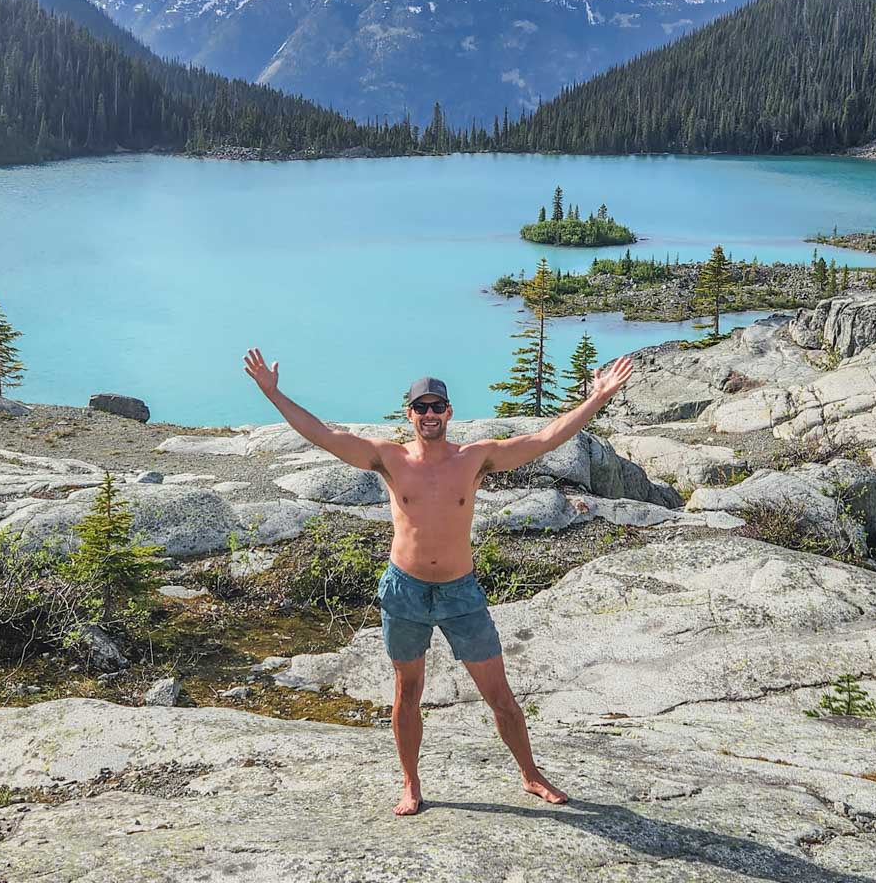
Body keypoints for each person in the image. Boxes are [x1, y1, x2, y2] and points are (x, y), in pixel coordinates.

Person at [243, 348, 633, 816]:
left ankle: (530, 774)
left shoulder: (475, 458)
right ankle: (411, 783)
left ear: (449, 412)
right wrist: (273, 394)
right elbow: (324, 435)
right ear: (408, 414)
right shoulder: (387, 458)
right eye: (420, 407)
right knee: (407, 693)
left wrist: (597, 398)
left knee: (500, 696)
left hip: (460, 592)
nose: (430, 415)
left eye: (437, 407)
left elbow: (546, 438)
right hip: (405, 590)